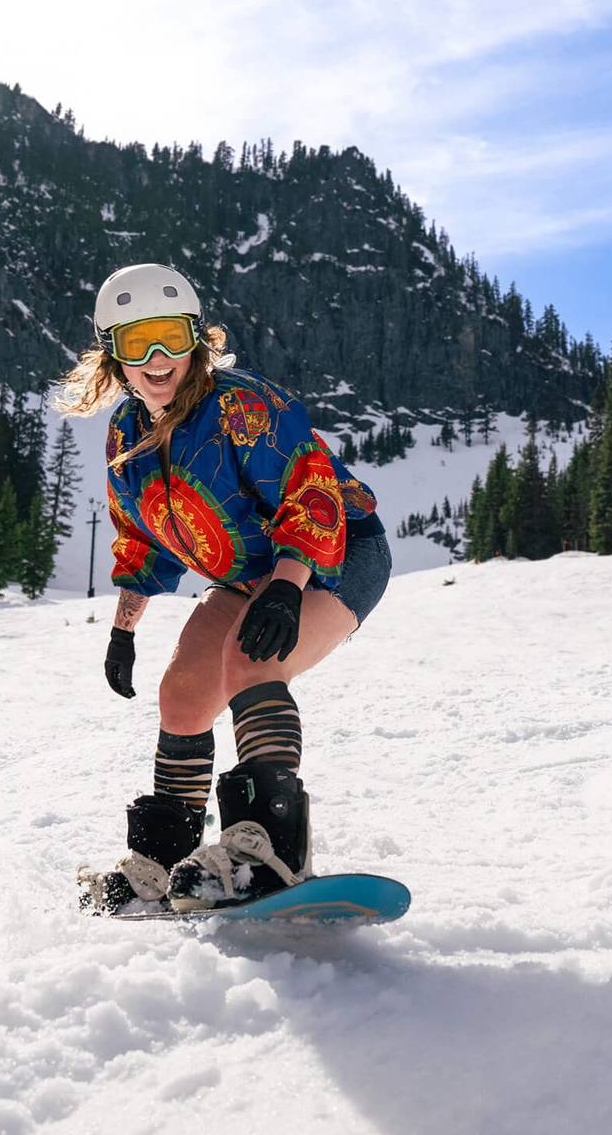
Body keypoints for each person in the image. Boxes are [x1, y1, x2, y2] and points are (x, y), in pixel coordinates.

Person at [57, 263, 390, 913]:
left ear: (196, 341)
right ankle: (162, 865)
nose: (158, 358)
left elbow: (311, 488)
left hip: (336, 552)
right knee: (181, 695)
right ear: (113, 355)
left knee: (248, 658)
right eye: (137, 342)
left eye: (171, 337)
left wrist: (289, 584)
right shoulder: (127, 438)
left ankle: (268, 849)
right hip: (251, 575)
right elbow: (140, 540)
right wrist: (123, 630)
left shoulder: (239, 406)